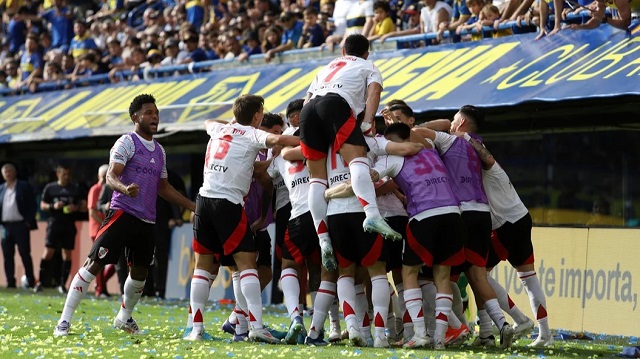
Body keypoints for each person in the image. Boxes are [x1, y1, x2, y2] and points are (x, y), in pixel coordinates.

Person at [52, 94, 196, 337]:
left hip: (147, 220)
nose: (154, 117)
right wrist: (124, 188)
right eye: (149, 113)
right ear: (135, 117)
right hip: (122, 213)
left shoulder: (160, 151)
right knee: (93, 264)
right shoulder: (126, 143)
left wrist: (193, 206)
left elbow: (164, 188)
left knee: (140, 274)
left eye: (156, 112)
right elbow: (110, 175)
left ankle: (124, 317)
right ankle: (64, 322)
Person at [186, 94, 300, 342]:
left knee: (202, 268)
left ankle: (195, 330)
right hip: (228, 203)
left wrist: (233, 121)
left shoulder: (217, 129)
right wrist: (308, 138)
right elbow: (279, 139)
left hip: (203, 201)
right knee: (247, 264)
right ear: (258, 115)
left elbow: (207, 120)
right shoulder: (253, 135)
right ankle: (256, 328)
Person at [299, 34, 401, 276]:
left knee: (316, 179)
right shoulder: (368, 66)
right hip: (335, 105)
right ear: (367, 52)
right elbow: (373, 94)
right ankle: (372, 215)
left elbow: (307, 99)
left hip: (308, 112)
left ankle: (323, 238)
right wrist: (366, 123)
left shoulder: (328, 66)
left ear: (343, 50)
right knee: (357, 160)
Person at [371, 123, 466, 349]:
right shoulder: (432, 153)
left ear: (392, 142)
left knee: (408, 272)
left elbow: (371, 177)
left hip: (424, 215)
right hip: (453, 214)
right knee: (441, 277)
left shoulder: (390, 158)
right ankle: (441, 338)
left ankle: (421, 333)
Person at [35, 164, 87, 294]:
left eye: (68, 174)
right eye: (64, 174)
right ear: (58, 174)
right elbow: (42, 205)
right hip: (54, 223)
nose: (66, 176)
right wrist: (54, 206)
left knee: (67, 253)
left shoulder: (75, 188)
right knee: (48, 251)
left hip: (69, 224)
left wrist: (76, 208)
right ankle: (40, 282)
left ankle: (62, 284)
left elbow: (84, 206)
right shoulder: (50, 188)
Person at [0, 163, 37, 289]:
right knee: (7, 256)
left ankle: (30, 280)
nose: (8, 173)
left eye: (10, 171)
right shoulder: (1, 189)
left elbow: (32, 204)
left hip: (21, 225)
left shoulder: (24, 186)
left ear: (15, 172)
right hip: (5, 227)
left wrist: (28, 221)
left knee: (24, 253)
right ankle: (10, 282)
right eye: (5, 171)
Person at [87, 164, 115, 298]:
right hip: (97, 229)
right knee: (99, 261)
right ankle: (100, 289)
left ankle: (102, 284)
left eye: (107, 175)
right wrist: (104, 224)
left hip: (110, 228)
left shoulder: (112, 188)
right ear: (99, 176)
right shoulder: (95, 189)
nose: (104, 178)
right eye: (103, 176)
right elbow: (92, 211)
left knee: (115, 260)